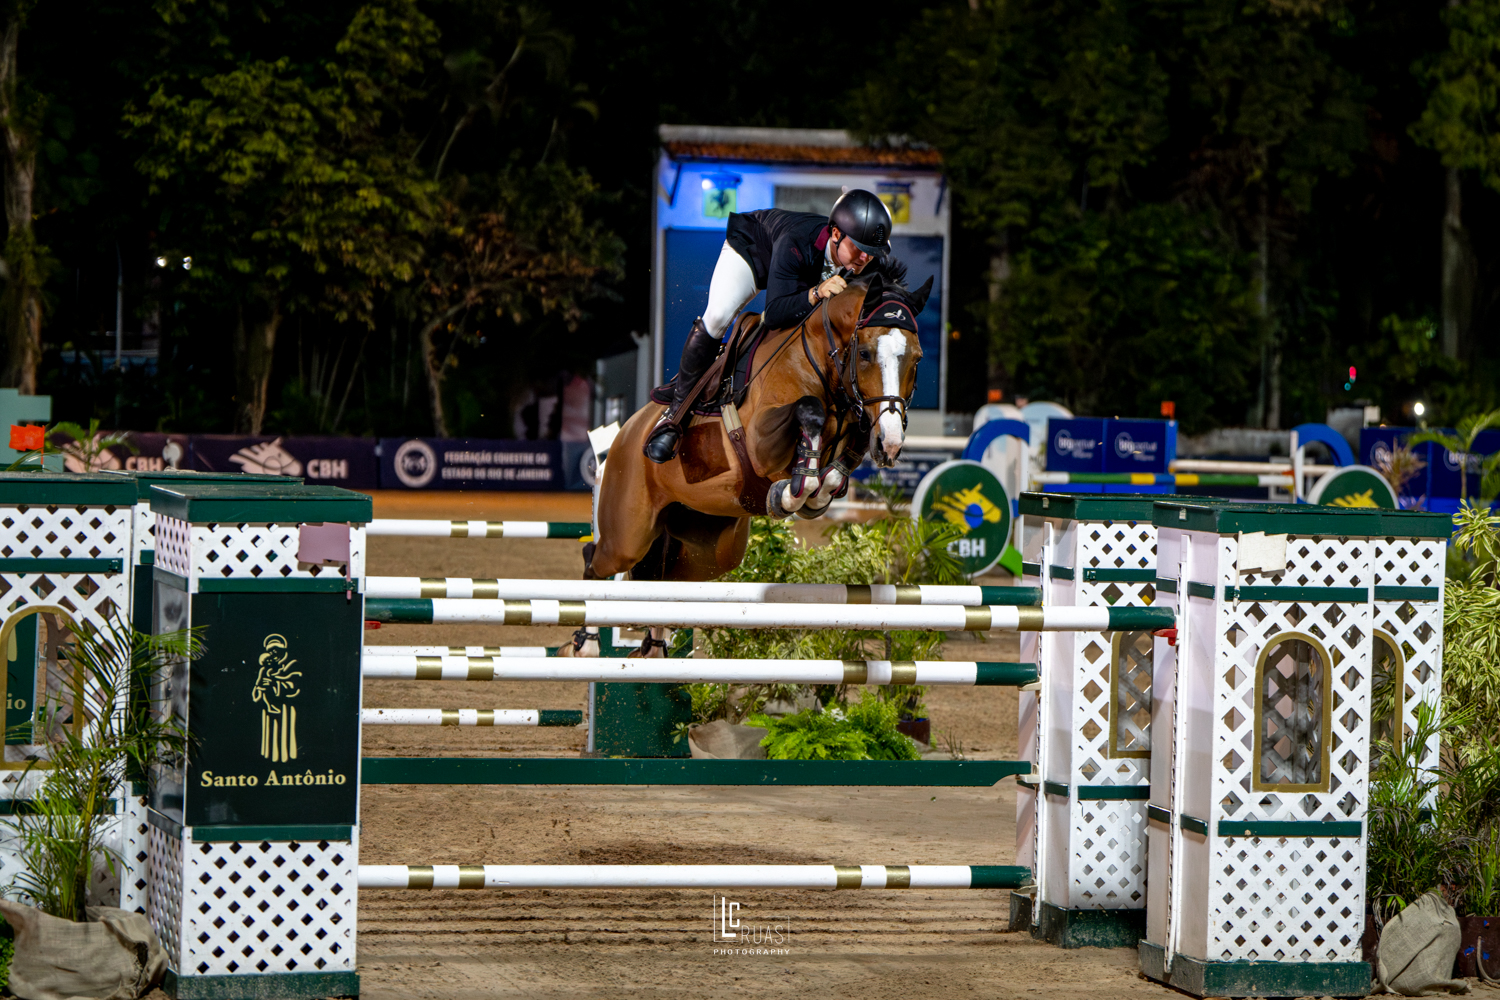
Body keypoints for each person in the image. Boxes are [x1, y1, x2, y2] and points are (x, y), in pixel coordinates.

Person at [643, 188, 907, 463]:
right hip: (754, 252)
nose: (865, 259)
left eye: (871, 253)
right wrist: (816, 293)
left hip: (800, 273)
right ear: (836, 234)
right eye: (859, 248)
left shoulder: (860, 259)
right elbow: (774, 315)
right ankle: (674, 416)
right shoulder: (796, 241)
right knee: (718, 316)